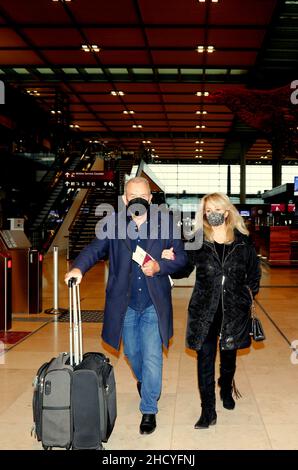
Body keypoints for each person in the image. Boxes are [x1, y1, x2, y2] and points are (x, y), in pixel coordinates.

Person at [65, 176, 188, 435]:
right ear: (125, 199)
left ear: (151, 198)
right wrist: (78, 268)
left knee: (153, 355)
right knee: (133, 353)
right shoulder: (112, 224)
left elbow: (183, 259)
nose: (138, 200)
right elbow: (94, 249)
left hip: (154, 302)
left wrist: (161, 265)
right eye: (133, 196)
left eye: (143, 195)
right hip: (126, 304)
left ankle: (148, 409)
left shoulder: (165, 224)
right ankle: (145, 382)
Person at [162, 192, 261, 429]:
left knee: (229, 356)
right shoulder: (197, 240)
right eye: (208, 210)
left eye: (217, 209)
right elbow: (182, 269)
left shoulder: (243, 241)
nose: (212, 214)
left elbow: (254, 275)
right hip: (204, 309)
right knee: (204, 358)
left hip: (234, 309)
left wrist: (244, 297)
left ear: (227, 212)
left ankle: (225, 387)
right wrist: (169, 260)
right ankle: (208, 410)